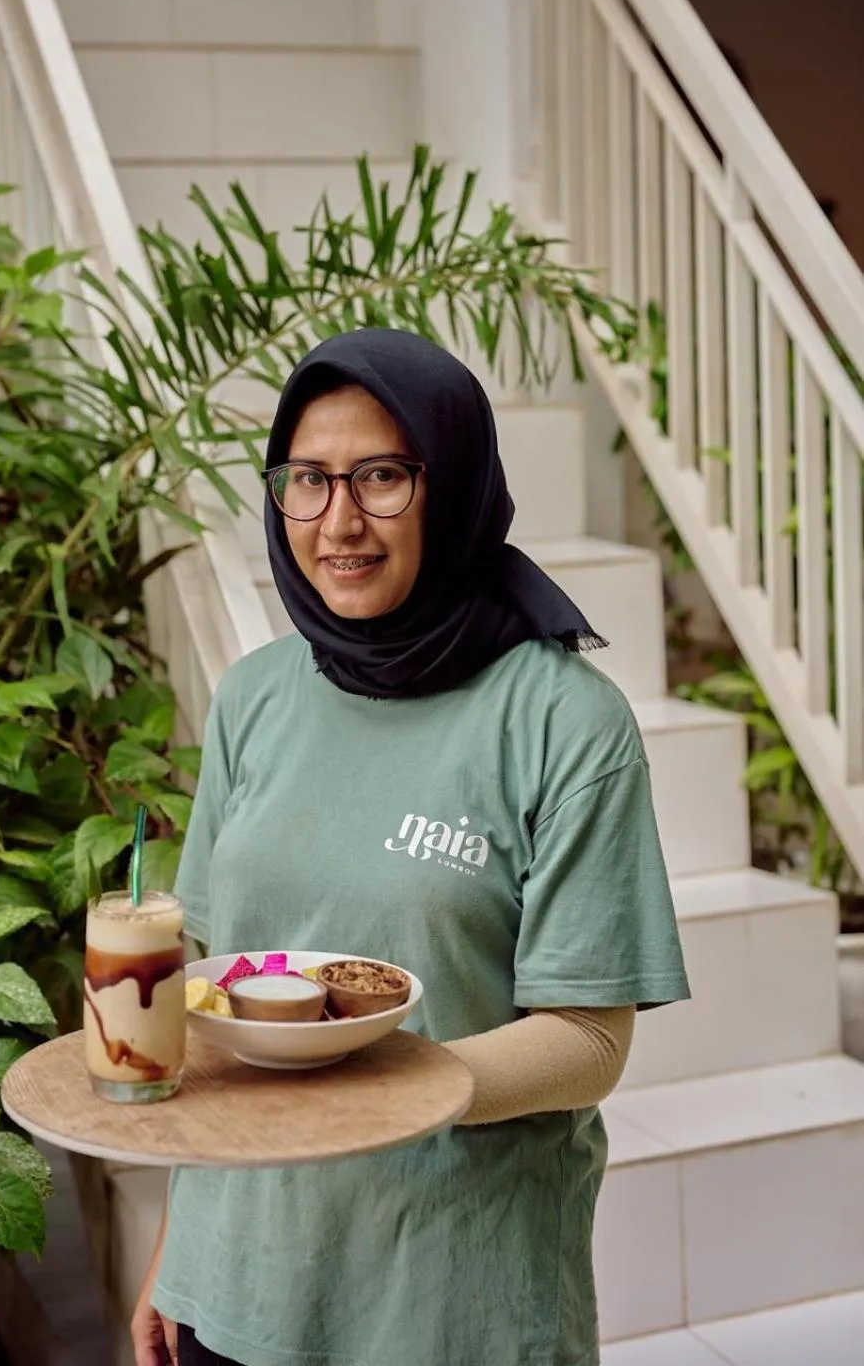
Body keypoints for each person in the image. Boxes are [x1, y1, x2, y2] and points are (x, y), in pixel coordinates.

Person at [132, 329, 690, 1366]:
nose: (338, 521)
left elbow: (587, 1040)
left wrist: (365, 1082)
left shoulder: (561, 720)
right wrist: (175, 1247)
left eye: (381, 475)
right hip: (236, 1271)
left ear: (454, 483)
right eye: (307, 479)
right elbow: (209, 984)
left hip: (442, 1298)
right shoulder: (256, 696)